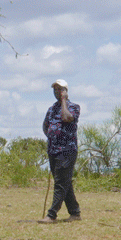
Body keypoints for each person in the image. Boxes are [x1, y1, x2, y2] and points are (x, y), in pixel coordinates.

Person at [38, 80, 81, 223]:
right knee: (63, 181)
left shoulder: (74, 107)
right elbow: (45, 127)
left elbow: (66, 117)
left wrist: (64, 100)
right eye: (55, 90)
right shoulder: (51, 109)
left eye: (60, 89)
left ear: (66, 91)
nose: (57, 92)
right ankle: (75, 213)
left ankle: (52, 215)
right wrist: (52, 136)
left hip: (67, 150)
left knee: (60, 183)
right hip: (53, 150)